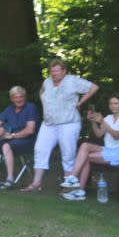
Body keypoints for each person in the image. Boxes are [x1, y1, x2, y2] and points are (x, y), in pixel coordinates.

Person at [21, 58, 98, 192]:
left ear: (64, 71)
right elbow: (41, 92)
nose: (54, 74)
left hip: (68, 123)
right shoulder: (47, 82)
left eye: (57, 71)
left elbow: (93, 88)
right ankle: (36, 183)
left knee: (68, 154)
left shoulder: (72, 81)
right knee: (40, 150)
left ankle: (68, 185)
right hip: (49, 124)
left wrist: (80, 103)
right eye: (52, 72)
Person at [59, 93, 119, 201]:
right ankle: (74, 182)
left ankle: (76, 185)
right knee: (85, 146)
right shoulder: (109, 118)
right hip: (108, 149)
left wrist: (102, 121)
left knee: (86, 157)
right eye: (111, 103)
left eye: (116, 103)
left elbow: (117, 136)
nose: (112, 106)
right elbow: (99, 134)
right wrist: (93, 121)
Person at [0, 85, 38, 188]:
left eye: (21, 97)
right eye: (16, 97)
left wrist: (13, 135)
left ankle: (10, 179)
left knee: (6, 146)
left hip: (29, 141)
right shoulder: (10, 109)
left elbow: (30, 130)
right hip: (13, 140)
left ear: (24, 97)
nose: (19, 99)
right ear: (12, 99)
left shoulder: (30, 107)